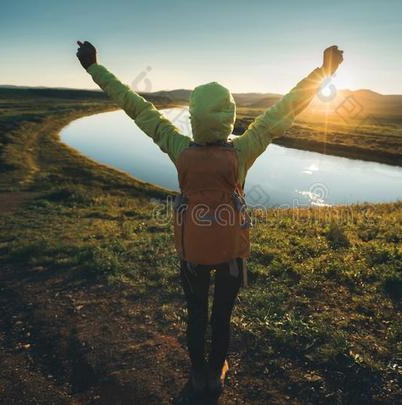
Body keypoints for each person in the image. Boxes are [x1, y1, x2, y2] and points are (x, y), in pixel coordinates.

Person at [76, 41, 343, 396]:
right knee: (221, 317)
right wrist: (324, 72)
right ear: (229, 117)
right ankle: (217, 371)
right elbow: (286, 108)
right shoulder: (243, 151)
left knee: (196, 313)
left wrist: (95, 68)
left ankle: (199, 373)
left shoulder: (177, 147)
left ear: (194, 116)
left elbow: (135, 107)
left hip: (192, 252)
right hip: (232, 253)